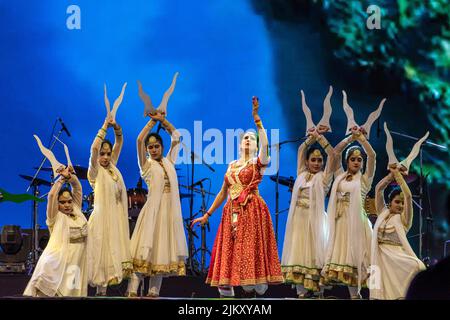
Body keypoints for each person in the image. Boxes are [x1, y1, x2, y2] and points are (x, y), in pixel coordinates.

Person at [191, 97, 283, 298]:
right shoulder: (231, 165)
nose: (248, 139)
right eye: (245, 138)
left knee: (249, 251)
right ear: (240, 143)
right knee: (230, 253)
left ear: (256, 145)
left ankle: (252, 292)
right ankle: (229, 293)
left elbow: (266, 147)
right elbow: (223, 192)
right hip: (230, 212)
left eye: (252, 138)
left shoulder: (257, 163)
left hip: (251, 210)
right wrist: (207, 214)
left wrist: (257, 120)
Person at [126, 111, 187, 297]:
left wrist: (163, 120)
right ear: (147, 150)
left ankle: (153, 293)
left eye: (157, 146)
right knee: (144, 251)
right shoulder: (146, 165)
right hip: (153, 212)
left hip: (169, 213)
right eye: (150, 147)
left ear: (162, 147)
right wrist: (152, 123)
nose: (153, 150)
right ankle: (131, 292)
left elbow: (177, 136)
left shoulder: (169, 161)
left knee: (162, 252)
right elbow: (138, 140)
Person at [321, 127, 375, 299]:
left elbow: (372, 156)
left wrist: (362, 140)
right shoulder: (339, 177)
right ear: (347, 161)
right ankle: (354, 295)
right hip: (341, 223)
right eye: (353, 159)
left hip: (357, 225)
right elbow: (335, 152)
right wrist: (351, 138)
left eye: (359, 160)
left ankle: (365, 295)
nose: (357, 162)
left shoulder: (365, 180)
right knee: (346, 264)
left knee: (358, 261)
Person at [281, 126, 334, 298]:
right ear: (307, 161)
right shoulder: (301, 174)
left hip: (315, 221)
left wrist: (320, 138)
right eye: (313, 160)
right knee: (298, 254)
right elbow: (302, 148)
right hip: (298, 220)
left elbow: (333, 155)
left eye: (319, 161)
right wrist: (311, 137)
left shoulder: (324, 179)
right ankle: (301, 292)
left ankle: (317, 291)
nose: (317, 163)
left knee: (313, 255)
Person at [24, 166, 88, 297]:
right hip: (58, 262)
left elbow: (77, 188)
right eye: (63, 202)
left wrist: (71, 177)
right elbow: (52, 195)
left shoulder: (77, 210)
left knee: (72, 294)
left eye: (69, 201)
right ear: (57, 204)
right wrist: (62, 179)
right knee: (53, 294)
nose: (67, 205)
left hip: (75, 265)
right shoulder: (55, 216)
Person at [87, 117, 132, 296]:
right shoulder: (94, 171)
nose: (105, 157)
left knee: (109, 254)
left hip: (115, 219)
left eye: (108, 153)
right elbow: (94, 148)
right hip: (100, 219)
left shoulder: (112, 167)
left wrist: (116, 127)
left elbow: (120, 141)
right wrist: (105, 126)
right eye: (102, 154)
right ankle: (97, 292)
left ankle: (102, 292)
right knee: (100, 253)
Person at [369, 167, 426, 299]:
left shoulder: (404, 219)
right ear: (390, 203)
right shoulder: (383, 213)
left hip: (397, 256)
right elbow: (378, 189)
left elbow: (408, 196)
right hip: (380, 256)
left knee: (417, 266)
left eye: (402, 203)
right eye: (397, 202)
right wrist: (391, 175)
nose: (400, 205)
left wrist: (398, 176)